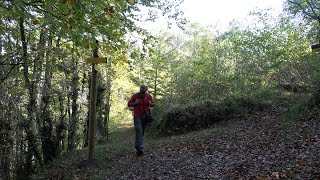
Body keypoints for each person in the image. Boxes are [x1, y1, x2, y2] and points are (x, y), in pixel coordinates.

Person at [128, 84, 155, 156]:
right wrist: (135, 103)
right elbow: (129, 104)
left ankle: (138, 146)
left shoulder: (149, 96)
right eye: (141, 87)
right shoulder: (135, 96)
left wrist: (150, 103)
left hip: (146, 116)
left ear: (146, 89)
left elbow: (153, 104)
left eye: (143, 88)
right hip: (137, 116)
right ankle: (139, 148)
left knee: (141, 132)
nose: (142, 89)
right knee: (139, 130)